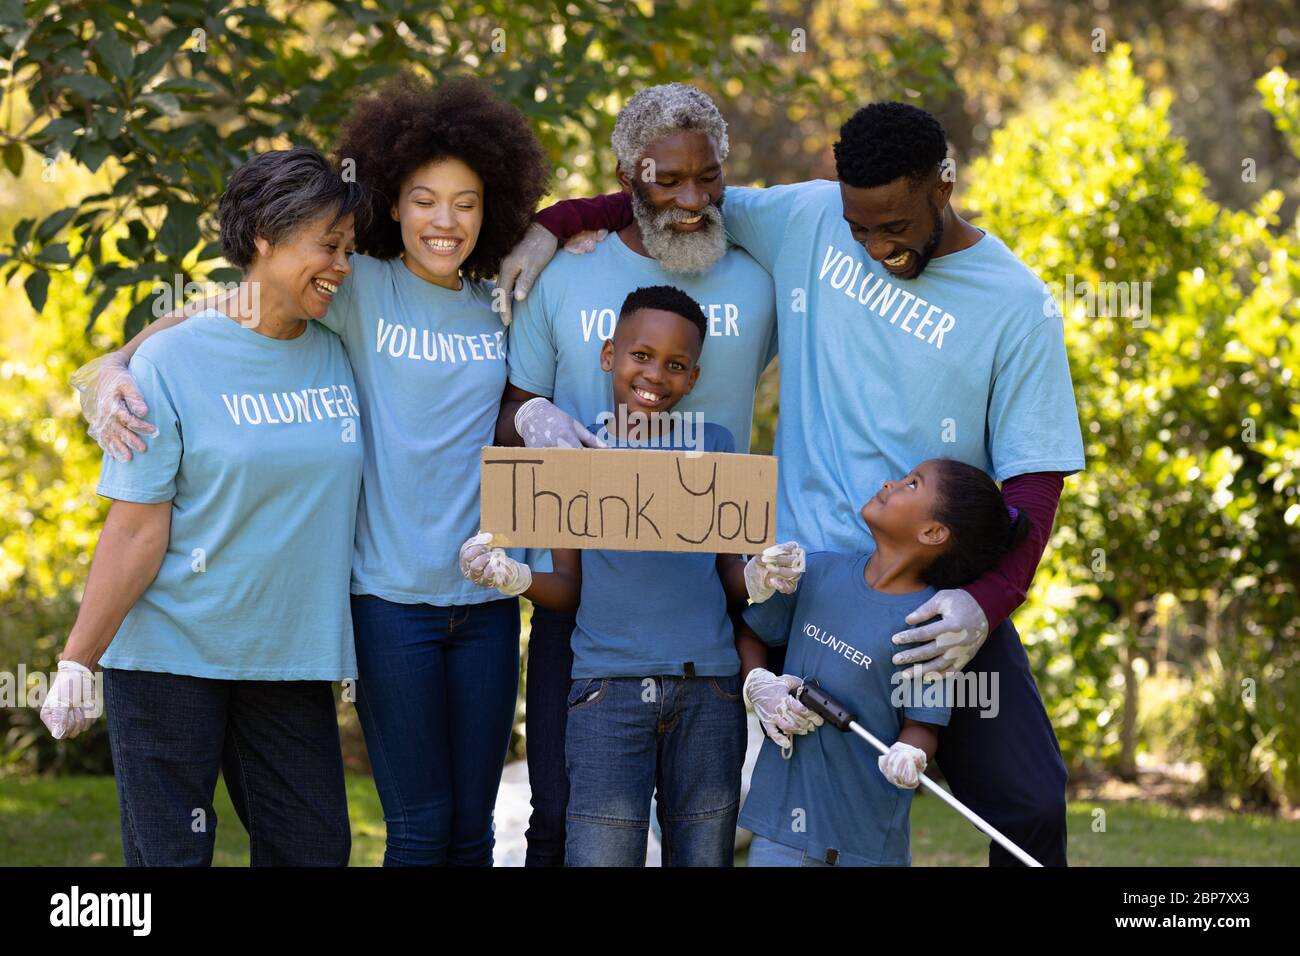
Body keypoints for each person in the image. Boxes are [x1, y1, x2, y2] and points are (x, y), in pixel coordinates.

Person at [500, 101, 1086, 865]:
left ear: (943, 189)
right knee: (760, 825)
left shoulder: (1015, 303)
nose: (876, 247)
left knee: (1029, 807)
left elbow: (1034, 485)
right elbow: (681, 193)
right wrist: (554, 222)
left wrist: (987, 600)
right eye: (859, 226)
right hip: (793, 586)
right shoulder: (810, 216)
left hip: (926, 601)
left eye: (896, 228)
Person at [69, 75, 552, 866]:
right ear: (393, 203)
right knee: (420, 828)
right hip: (384, 601)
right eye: (425, 198)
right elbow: (223, 306)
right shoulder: (358, 292)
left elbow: (612, 230)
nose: (445, 220)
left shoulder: (500, 299)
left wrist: (554, 231)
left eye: (467, 203)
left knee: (438, 836)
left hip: (473, 600)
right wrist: (112, 365)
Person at [39, 148, 368, 866]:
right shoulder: (172, 363)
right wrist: (76, 661)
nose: (343, 266)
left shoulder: (340, 345)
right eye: (328, 246)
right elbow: (135, 527)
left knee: (313, 851)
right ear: (264, 238)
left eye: (348, 249)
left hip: (290, 657)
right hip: (170, 656)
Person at [493, 84, 778, 865]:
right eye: (666, 181)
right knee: (561, 816)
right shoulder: (563, 272)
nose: (693, 199)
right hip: (582, 587)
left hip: (703, 590)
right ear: (626, 176)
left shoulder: (759, 275)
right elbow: (510, 405)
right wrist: (535, 418)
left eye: (708, 177)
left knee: (701, 831)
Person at [461, 285, 800, 866]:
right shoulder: (572, 452)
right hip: (606, 691)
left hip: (710, 691)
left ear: (693, 379)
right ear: (608, 355)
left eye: (675, 365)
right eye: (640, 356)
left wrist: (763, 577)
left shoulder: (715, 450)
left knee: (703, 857)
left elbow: (728, 580)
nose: (655, 375)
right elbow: (568, 590)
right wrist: (513, 577)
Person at [740, 458, 1034, 866]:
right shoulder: (819, 572)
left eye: (912, 483)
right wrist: (759, 682)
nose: (889, 483)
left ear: (933, 532)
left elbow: (921, 726)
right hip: (779, 832)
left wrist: (911, 755)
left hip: (866, 844)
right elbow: (753, 632)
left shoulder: (928, 626)